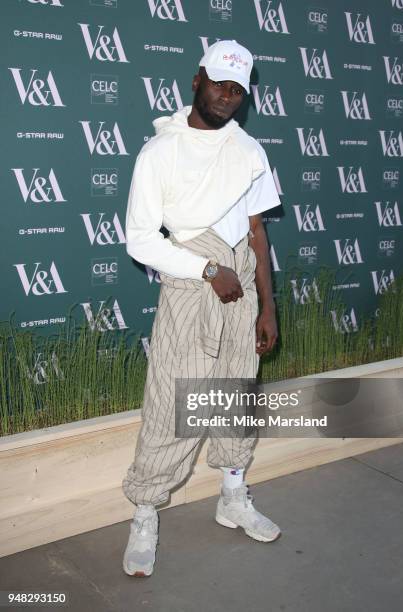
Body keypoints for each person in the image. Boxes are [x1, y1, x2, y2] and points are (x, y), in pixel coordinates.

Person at [122, 39, 283, 577]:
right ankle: (145, 512)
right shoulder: (160, 152)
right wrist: (209, 271)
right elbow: (141, 240)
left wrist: (267, 307)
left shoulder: (249, 152)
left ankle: (232, 496)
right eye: (218, 83)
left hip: (242, 288)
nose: (226, 96)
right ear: (197, 79)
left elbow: (257, 231)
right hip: (194, 286)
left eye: (237, 90)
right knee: (173, 400)